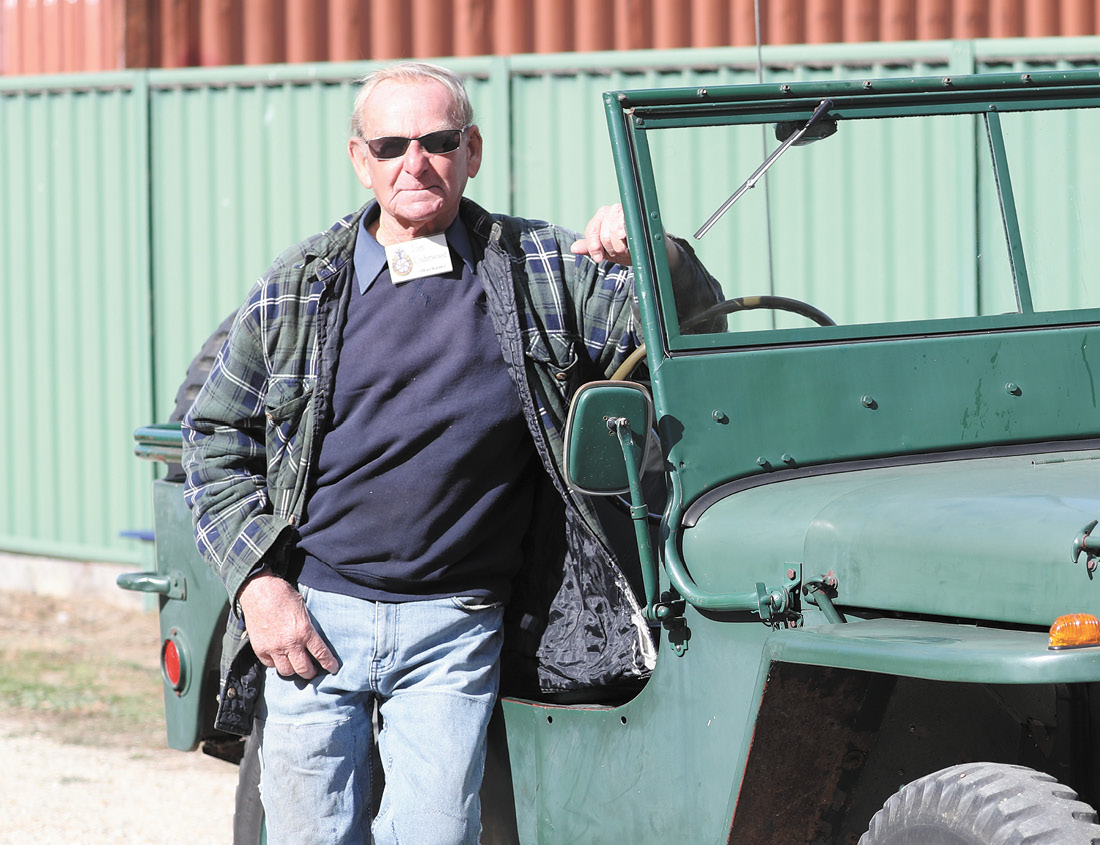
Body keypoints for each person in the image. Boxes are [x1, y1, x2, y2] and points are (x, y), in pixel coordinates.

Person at [182, 60, 722, 843]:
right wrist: (259, 586)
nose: (416, 162)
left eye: (437, 141)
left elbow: (687, 335)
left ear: (472, 150)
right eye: (391, 145)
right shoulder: (301, 286)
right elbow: (212, 438)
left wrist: (655, 252)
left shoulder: (540, 270)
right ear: (361, 159)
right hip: (313, 619)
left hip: (454, 627)